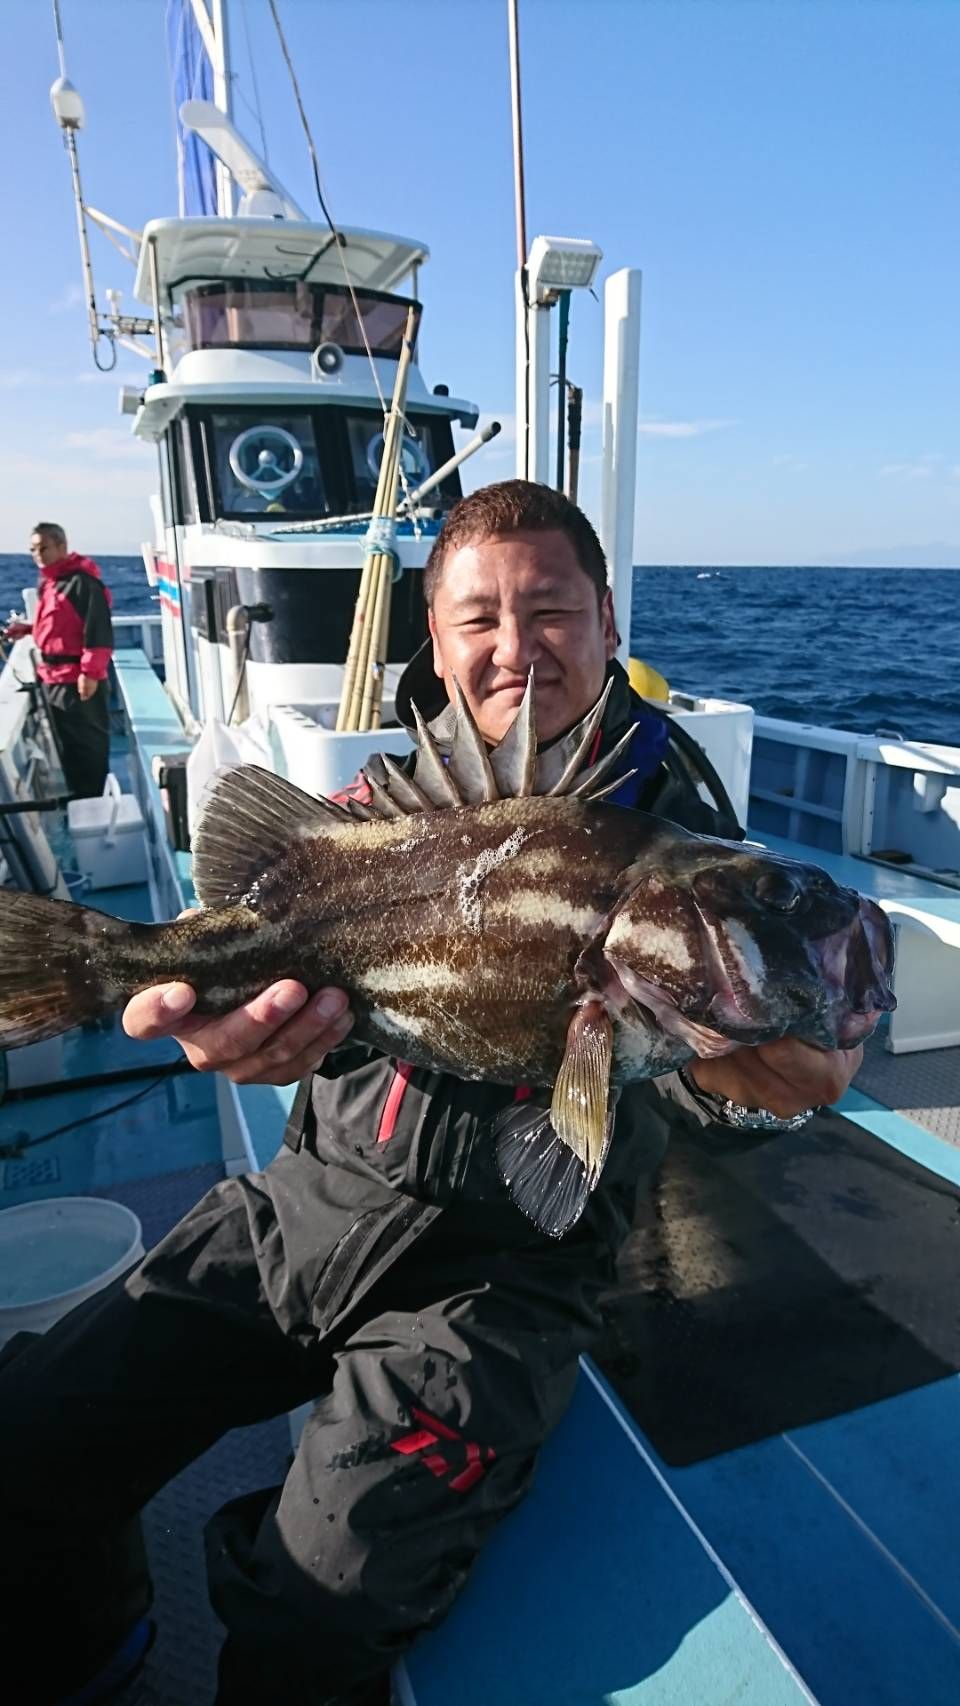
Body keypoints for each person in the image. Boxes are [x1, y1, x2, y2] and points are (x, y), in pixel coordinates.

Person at [0, 482, 862, 1706]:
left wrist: (765, 1089)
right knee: (27, 1431)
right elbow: (263, 953)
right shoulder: (379, 812)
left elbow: (687, 1098)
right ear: (438, 642)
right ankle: (96, 1646)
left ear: (608, 621)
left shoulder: (683, 843)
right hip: (302, 1212)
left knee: (315, 1604)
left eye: (551, 609)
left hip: (500, 1285)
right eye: (479, 619)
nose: (518, 647)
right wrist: (231, 1037)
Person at [4, 523, 114, 798]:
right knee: (68, 746)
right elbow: (62, 625)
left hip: (76, 680)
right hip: (52, 679)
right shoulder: (50, 583)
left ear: (62, 547)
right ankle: (80, 798)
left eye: (44, 548)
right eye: (33, 549)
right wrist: (28, 629)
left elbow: (98, 630)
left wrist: (90, 674)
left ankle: (94, 800)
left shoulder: (82, 584)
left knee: (88, 746)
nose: (37, 555)